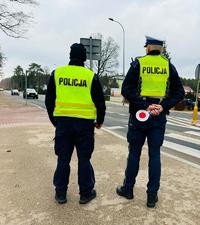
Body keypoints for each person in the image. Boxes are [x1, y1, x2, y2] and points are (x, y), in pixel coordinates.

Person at [116, 36, 185, 208]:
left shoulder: (139, 63)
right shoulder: (168, 65)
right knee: (155, 155)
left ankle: (128, 189)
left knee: (134, 153)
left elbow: (126, 89)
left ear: (147, 48)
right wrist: (162, 106)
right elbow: (179, 92)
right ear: (160, 49)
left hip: (140, 113)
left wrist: (145, 105)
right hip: (159, 115)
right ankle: (152, 196)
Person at [45, 43, 106, 204]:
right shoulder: (90, 76)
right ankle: (85, 193)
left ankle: (60, 193)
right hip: (85, 125)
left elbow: (49, 101)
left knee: (63, 159)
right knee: (84, 159)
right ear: (84, 57)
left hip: (63, 124)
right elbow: (100, 102)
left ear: (70, 56)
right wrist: (99, 121)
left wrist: (54, 121)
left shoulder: (57, 73)